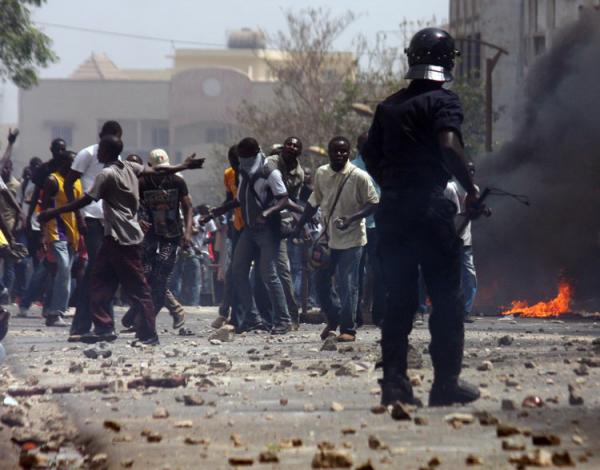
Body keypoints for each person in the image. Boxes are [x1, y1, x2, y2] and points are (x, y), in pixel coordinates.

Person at [362, 28, 483, 407]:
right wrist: (471, 189)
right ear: (447, 61)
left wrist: (393, 185)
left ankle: (395, 385)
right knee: (446, 298)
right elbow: (449, 146)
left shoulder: (389, 106)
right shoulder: (442, 101)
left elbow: (370, 152)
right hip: (430, 209)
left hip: (394, 212)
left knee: (398, 299)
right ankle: (445, 384)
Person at [38, 135, 204, 345]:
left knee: (138, 288)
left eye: (100, 150)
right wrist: (184, 165)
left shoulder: (105, 175)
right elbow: (159, 170)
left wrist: (52, 212)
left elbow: (85, 200)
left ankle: (148, 334)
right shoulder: (130, 167)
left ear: (106, 152)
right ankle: (104, 328)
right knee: (98, 282)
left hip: (124, 237)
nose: (97, 153)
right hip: (114, 237)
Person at [294, 136, 379, 342]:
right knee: (320, 281)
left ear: (349, 153)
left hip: (353, 238)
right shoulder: (322, 173)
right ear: (329, 152)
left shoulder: (359, 176)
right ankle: (333, 318)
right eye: (335, 151)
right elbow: (314, 202)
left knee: (348, 284)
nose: (340, 154)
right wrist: (299, 225)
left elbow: (374, 203)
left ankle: (348, 329)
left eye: (344, 151)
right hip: (328, 238)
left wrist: (352, 218)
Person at [210, 137, 292, 334]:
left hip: (267, 230)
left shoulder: (269, 171)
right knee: (237, 271)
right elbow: (239, 200)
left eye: (247, 157)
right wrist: (217, 211)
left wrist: (266, 213)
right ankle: (253, 317)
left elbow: (284, 199)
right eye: (242, 157)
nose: (244, 161)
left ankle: (284, 319)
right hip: (249, 229)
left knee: (269, 274)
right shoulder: (243, 172)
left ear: (256, 153)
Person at [64, 121, 122, 341]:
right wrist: (77, 214)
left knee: (100, 272)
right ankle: (92, 325)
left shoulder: (118, 160)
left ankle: (94, 325)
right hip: (89, 216)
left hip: (109, 219)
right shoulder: (87, 154)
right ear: (101, 138)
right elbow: (69, 183)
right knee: (98, 270)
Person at [37, 151, 82, 326]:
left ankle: (51, 310)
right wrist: (42, 235)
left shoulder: (77, 181)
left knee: (64, 274)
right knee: (63, 269)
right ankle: (56, 312)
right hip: (56, 231)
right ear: (63, 163)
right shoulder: (52, 180)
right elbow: (44, 209)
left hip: (73, 233)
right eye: (72, 162)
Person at [266, 136, 304, 327]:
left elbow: (291, 201)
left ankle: (291, 314)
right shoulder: (269, 166)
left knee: (282, 271)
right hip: (261, 222)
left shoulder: (299, 174)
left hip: (280, 225)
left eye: (294, 146)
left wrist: (301, 222)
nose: (290, 148)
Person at [352, 132, 385, 327]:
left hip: (378, 227)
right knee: (354, 273)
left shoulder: (382, 167)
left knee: (379, 271)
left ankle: (379, 314)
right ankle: (355, 316)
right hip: (356, 226)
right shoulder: (352, 169)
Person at [445, 161, 478, 323]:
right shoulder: (449, 188)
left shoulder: (474, 190)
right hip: (449, 239)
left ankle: (465, 311)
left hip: (465, 240)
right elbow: (452, 214)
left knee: (469, 277)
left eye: (472, 171)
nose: (470, 174)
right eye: (467, 171)